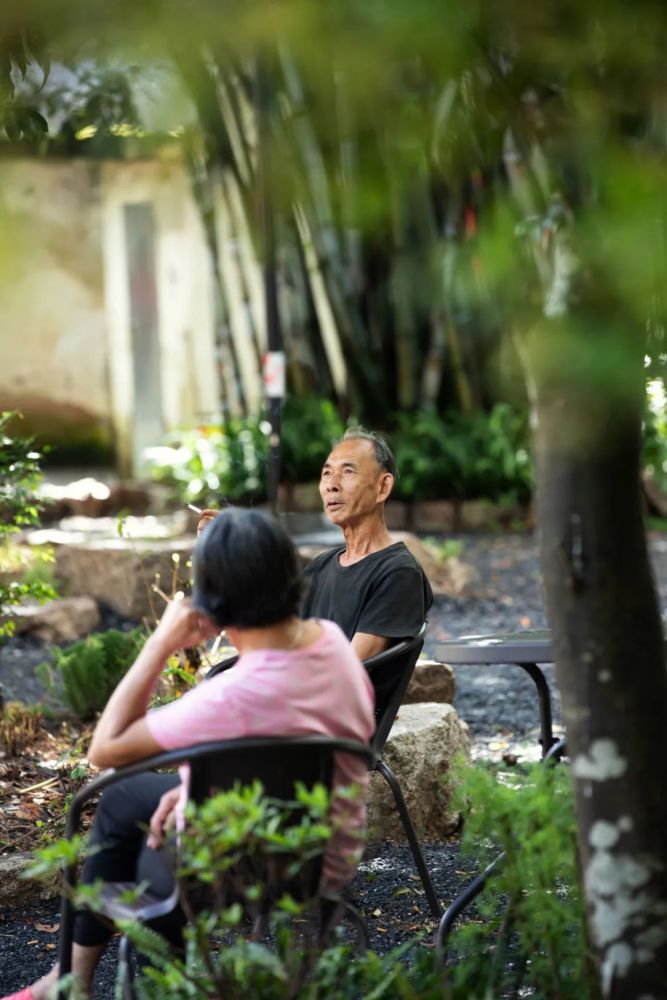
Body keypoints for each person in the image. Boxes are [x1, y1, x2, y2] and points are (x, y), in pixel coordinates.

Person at [3, 509, 374, 1000]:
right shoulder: (332, 643)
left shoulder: (229, 696)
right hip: (323, 849)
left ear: (212, 603)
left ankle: (166, 988)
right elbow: (288, 747)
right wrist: (190, 786)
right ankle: (66, 982)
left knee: (147, 856)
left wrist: (160, 642)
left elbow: (105, 747)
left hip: (247, 865)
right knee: (126, 797)